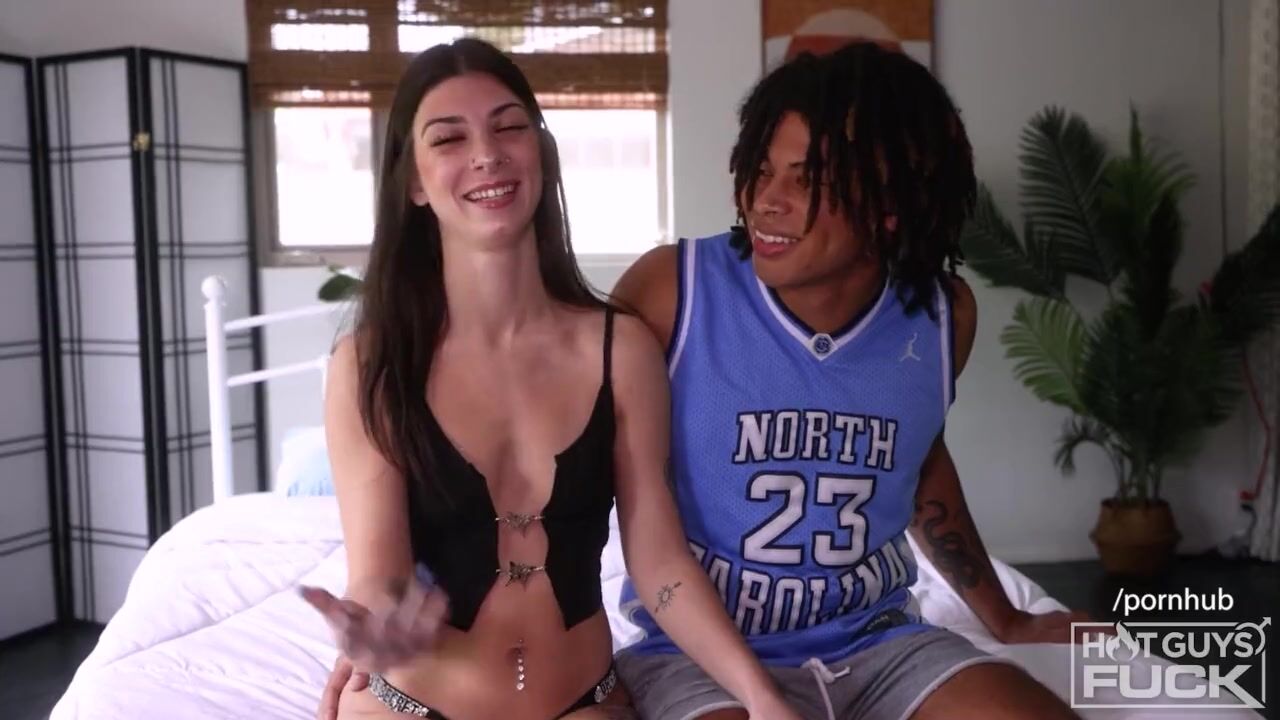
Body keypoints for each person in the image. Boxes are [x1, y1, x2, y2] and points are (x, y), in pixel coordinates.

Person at [300, 38, 803, 720]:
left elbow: (659, 565)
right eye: (449, 138)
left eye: (509, 126)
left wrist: (761, 696)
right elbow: (378, 572)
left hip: (583, 703)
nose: (487, 153)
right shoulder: (371, 365)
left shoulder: (620, 349)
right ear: (414, 181)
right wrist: (377, 624)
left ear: (540, 151)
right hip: (411, 705)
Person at [605, 43, 1088, 719]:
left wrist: (1007, 620)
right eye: (761, 170)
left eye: (805, 181)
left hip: (877, 643)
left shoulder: (943, 316)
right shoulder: (670, 291)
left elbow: (918, 462)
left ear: (889, 203)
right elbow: (576, 468)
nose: (764, 201)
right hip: (695, 654)